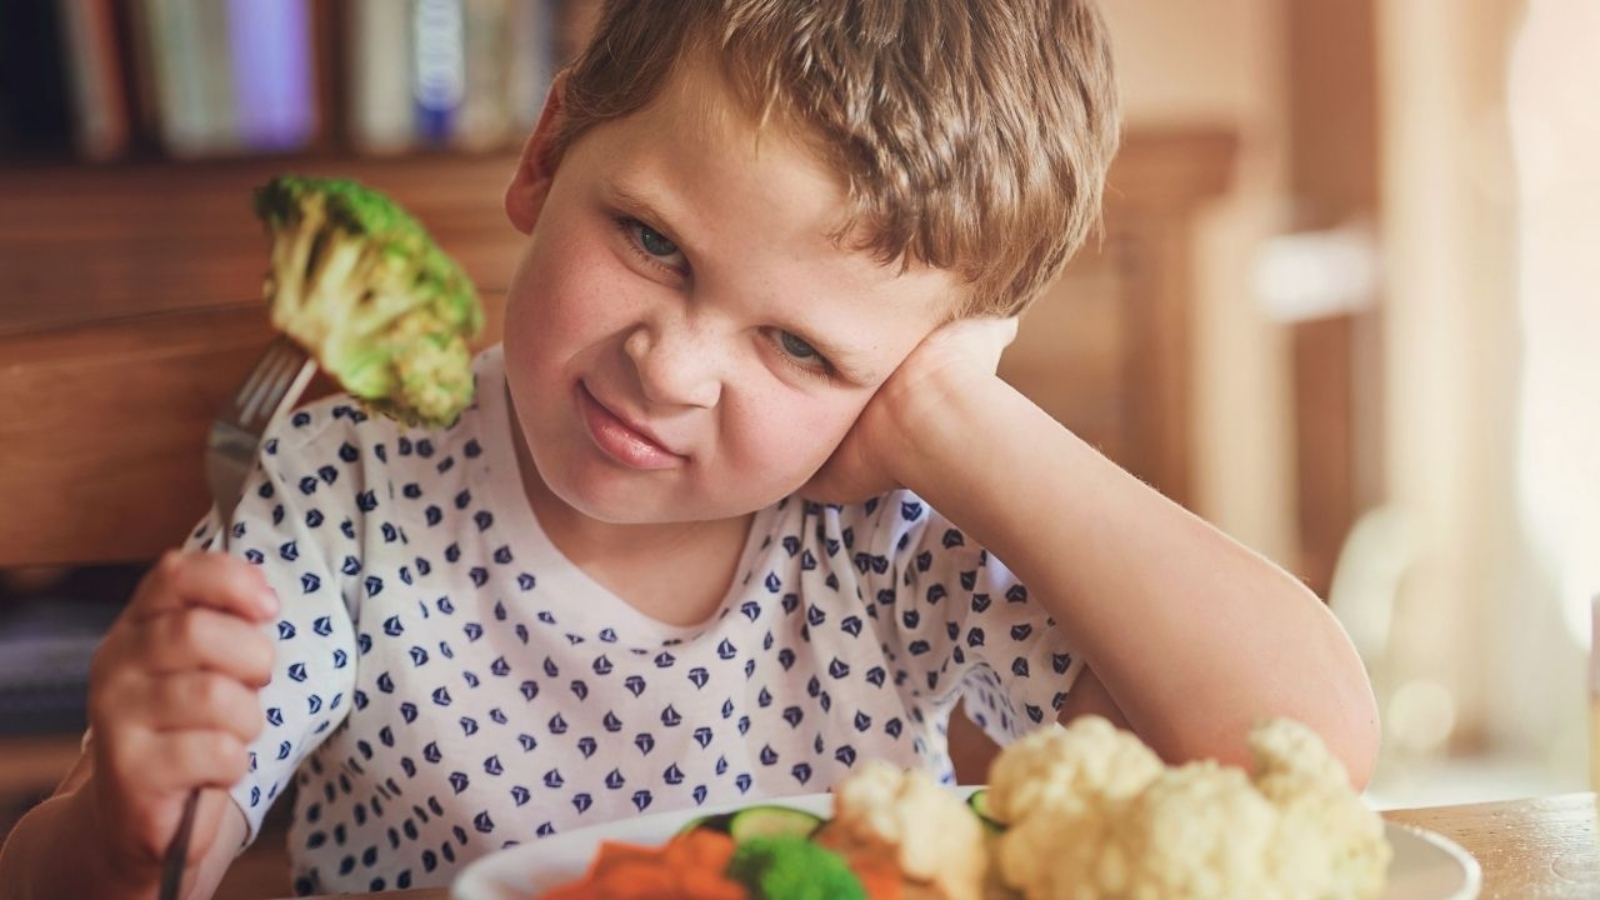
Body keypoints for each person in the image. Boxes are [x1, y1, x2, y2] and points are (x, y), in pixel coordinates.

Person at [0, 0, 1379, 896]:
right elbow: (111, 871)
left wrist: (956, 425)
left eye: (800, 349)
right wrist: (132, 812)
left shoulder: (903, 531)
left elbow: (1300, 753)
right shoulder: (342, 488)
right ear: (547, 157)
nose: (671, 364)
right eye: (650, 241)